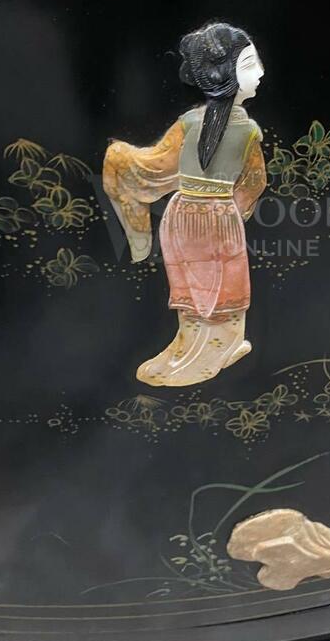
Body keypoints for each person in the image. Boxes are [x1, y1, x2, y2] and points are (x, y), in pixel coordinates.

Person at [103, 22, 266, 386]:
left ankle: (210, 347)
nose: (260, 72)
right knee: (219, 282)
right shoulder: (245, 130)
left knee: (201, 285)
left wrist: (124, 158)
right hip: (218, 216)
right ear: (224, 76)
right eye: (249, 64)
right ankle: (203, 347)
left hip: (184, 215)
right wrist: (238, 208)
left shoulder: (191, 123)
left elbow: (159, 162)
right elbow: (255, 181)